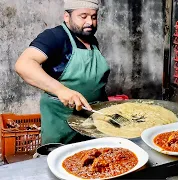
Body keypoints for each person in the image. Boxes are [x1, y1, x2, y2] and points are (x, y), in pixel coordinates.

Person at [15, 0, 110, 144]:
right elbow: (24, 64)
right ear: (67, 16)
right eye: (83, 16)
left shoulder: (92, 40)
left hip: (94, 120)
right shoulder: (55, 37)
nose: (90, 22)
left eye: (94, 17)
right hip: (62, 123)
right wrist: (61, 90)